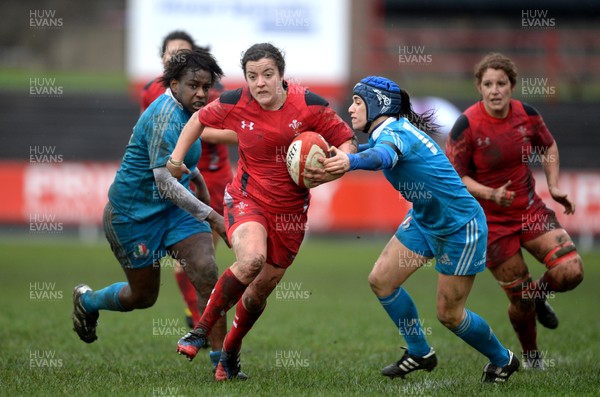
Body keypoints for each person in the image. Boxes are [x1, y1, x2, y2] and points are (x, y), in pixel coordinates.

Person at [166, 42, 357, 381]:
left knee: (255, 296)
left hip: (291, 215)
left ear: (282, 76)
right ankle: (201, 330)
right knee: (251, 260)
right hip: (246, 199)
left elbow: (347, 141)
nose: (260, 83)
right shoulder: (237, 101)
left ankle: (231, 354)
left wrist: (338, 164)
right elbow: (197, 118)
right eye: (252, 76)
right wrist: (176, 161)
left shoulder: (310, 105)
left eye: (267, 75)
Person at [314, 76, 519, 383]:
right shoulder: (391, 131)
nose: (352, 109)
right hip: (426, 218)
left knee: (450, 315)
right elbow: (376, 149)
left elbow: (381, 156)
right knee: (382, 281)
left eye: (358, 102)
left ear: (378, 105)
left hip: (459, 226)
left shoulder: (395, 134)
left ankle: (504, 360)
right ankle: (420, 351)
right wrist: (340, 156)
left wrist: (351, 161)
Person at [72, 48, 231, 372]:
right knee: (143, 297)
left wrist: (198, 181)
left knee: (206, 272)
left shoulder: (195, 111)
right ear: (174, 84)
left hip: (174, 212)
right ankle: (87, 301)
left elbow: (183, 161)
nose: (201, 93)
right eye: (193, 85)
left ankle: (221, 363)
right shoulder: (164, 117)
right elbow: (164, 183)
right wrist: (212, 215)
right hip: (133, 217)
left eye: (206, 86)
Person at [445, 53, 584, 369]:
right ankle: (533, 357)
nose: (495, 90)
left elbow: (547, 146)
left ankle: (541, 295)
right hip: (491, 223)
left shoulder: (527, 115)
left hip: (529, 211)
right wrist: (490, 193)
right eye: (488, 84)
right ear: (479, 88)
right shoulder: (466, 125)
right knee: (520, 301)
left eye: (501, 83)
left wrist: (555, 185)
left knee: (571, 271)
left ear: (512, 87)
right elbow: (455, 177)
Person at [140, 30, 235, 330]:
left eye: (184, 52)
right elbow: (151, 135)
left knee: (208, 256)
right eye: (172, 53)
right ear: (163, 59)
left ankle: (202, 316)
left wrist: (198, 129)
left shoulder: (207, 91)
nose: (177, 57)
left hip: (215, 178)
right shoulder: (152, 93)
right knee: (187, 258)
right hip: (181, 180)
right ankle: (198, 319)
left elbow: (225, 131)